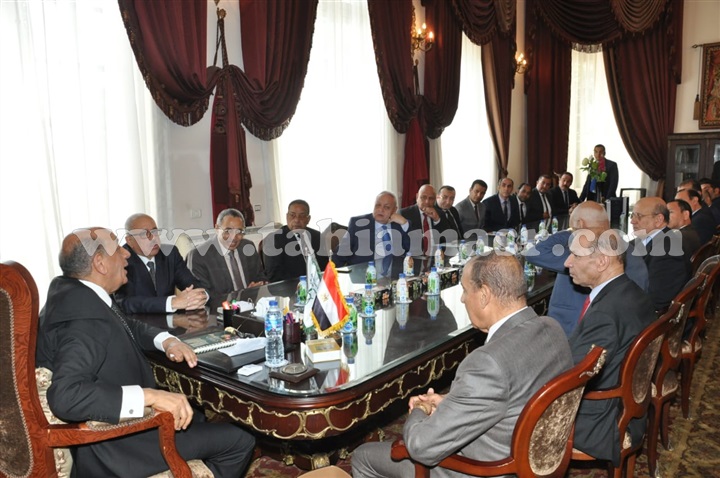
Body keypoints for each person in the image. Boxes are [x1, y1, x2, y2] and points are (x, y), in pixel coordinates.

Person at [36, 228, 255, 477]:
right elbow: (66, 396)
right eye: (118, 249)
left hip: (116, 432)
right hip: (117, 444)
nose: (126, 255)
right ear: (100, 263)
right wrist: (150, 397)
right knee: (240, 440)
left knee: (196, 415)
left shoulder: (76, 295)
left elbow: (128, 324)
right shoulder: (84, 323)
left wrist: (167, 340)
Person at [351, 253, 573, 478]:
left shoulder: (488, 363)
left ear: (484, 295)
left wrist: (420, 409)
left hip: (486, 469)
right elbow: (511, 390)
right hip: (536, 460)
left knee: (363, 456)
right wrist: (451, 402)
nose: (462, 299)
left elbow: (421, 447)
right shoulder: (552, 328)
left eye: (466, 290)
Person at [565, 228, 655, 467]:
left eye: (576, 255)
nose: (567, 262)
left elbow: (570, 375)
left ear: (602, 261)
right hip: (629, 407)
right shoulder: (633, 292)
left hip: (598, 421)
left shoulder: (605, 314)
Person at [525, 201, 648, 336]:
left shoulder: (584, 253)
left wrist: (572, 233)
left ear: (580, 224)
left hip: (571, 330)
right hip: (620, 329)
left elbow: (534, 253)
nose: (568, 263)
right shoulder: (628, 249)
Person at [114, 213, 207, 314]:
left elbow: (192, 284)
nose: (153, 238)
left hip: (171, 321)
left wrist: (200, 296)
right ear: (130, 241)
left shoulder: (170, 254)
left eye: (155, 231)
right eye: (144, 234)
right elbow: (125, 303)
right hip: (137, 322)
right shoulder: (121, 260)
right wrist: (171, 303)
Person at [186, 208, 267, 310]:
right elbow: (202, 296)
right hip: (219, 312)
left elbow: (260, 276)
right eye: (228, 231)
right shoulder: (199, 256)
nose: (234, 237)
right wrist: (242, 295)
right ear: (217, 228)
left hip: (250, 307)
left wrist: (258, 284)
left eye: (239, 231)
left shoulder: (247, 246)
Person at [630, 197, 688, 312]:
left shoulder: (668, 252)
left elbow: (657, 300)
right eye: (632, 215)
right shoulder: (648, 238)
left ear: (658, 219)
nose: (632, 221)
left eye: (639, 216)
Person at [333, 191, 410, 268]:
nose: (380, 209)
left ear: (394, 210)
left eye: (386, 207)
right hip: (364, 272)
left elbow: (411, 250)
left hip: (395, 273)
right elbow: (341, 253)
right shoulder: (358, 224)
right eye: (378, 205)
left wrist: (404, 223)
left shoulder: (400, 225)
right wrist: (332, 272)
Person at [263, 200, 328, 282]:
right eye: (292, 215)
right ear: (287, 216)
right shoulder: (273, 239)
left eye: (302, 216)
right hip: (290, 286)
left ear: (308, 219)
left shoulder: (317, 236)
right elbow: (274, 275)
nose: (297, 220)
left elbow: (325, 266)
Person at [400, 184, 449, 256]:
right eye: (423, 197)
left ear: (435, 199)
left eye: (431, 198)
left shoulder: (440, 214)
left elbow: (447, 239)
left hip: (436, 257)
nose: (427, 202)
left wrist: (437, 220)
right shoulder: (405, 214)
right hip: (414, 258)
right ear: (417, 197)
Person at [667, 199, 701, 269]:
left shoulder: (679, 237)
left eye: (670, 212)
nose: (665, 217)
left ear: (685, 215)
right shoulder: (690, 232)